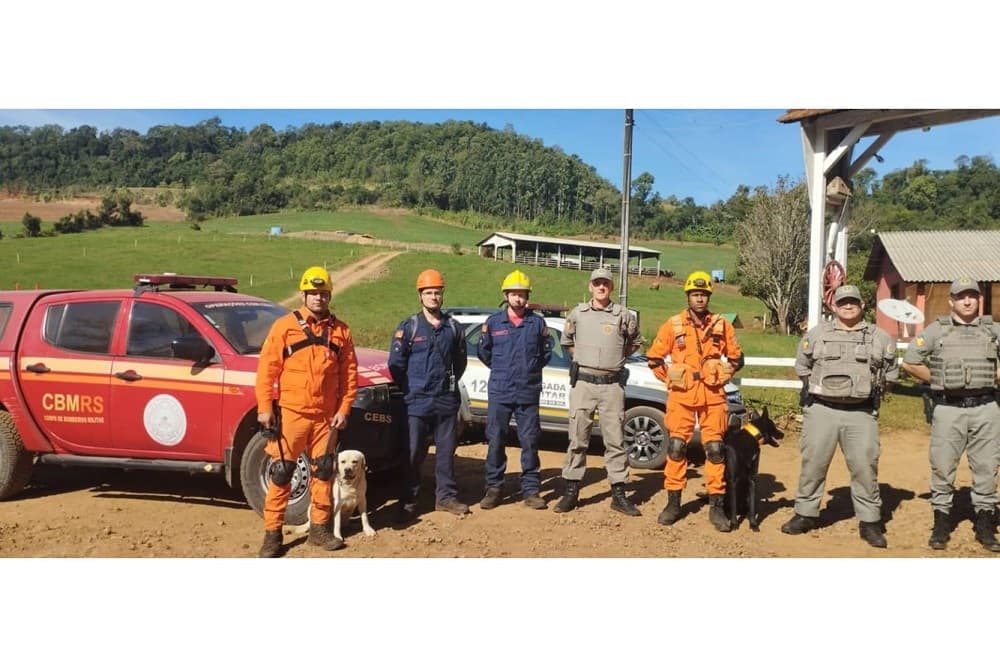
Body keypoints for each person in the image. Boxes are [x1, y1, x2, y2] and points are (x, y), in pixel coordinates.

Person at [780, 285, 898, 548]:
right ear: (833, 306)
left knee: (865, 468)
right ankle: (805, 514)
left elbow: (890, 375)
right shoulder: (817, 334)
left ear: (862, 306)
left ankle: (869, 522)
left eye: (853, 302)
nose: (848, 306)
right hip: (822, 411)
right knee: (813, 465)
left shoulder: (880, 338)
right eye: (842, 302)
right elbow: (802, 366)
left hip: (861, 413)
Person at [254, 266, 358, 558]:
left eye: (323, 294)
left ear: (329, 296)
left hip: (326, 417)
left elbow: (350, 375)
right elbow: (267, 370)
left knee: (324, 472)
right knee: (281, 472)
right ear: (304, 294)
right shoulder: (284, 327)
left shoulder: (341, 331)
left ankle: (320, 529)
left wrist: (344, 408)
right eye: (313, 294)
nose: (318, 299)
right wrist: (265, 408)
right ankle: (272, 534)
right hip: (292, 415)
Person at [900, 277, 1000, 552]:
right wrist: (937, 379)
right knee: (942, 468)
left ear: (978, 300)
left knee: (987, 469)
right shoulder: (936, 331)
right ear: (951, 301)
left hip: (986, 408)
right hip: (948, 409)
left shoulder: (993, 330)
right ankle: (941, 525)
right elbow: (910, 362)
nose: (967, 301)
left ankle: (985, 527)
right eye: (961, 296)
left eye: (972, 296)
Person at [646, 270, 745, 532]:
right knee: (676, 447)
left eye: (703, 294)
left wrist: (725, 374)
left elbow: (737, 358)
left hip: (713, 396)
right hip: (682, 396)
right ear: (688, 296)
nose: (699, 299)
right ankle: (673, 503)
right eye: (695, 294)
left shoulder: (722, 325)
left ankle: (716, 506)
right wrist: (671, 378)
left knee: (715, 450)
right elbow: (654, 358)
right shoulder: (673, 325)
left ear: (708, 296)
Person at [553, 267, 645, 516]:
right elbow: (567, 341)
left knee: (615, 441)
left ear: (611, 287)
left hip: (612, 386)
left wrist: (617, 359)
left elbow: (636, 341)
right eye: (597, 283)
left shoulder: (623, 315)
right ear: (590, 286)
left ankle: (618, 494)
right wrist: (583, 359)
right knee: (577, 439)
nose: (601, 287)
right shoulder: (578, 313)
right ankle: (571, 492)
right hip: (583, 384)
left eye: (605, 283)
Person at [388, 268, 469, 522]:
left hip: (445, 400)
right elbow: (395, 364)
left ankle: (445, 497)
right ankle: (409, 500)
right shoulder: (409, 327)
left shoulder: (453, 328)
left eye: (437, 292)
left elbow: (460, 363)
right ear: (420, 295)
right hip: (416, 401)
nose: (434, 297)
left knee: (446, 452)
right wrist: (410, 389)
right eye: (429, 292)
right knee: (412, 453)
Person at [477, 270, 553, 510]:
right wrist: (503, 371)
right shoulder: (493, 323)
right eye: (514, 294)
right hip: (500, 391)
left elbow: (546, 354)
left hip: (528, 393)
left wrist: (527, 371)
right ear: (506, 295)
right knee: (495, 441)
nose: (519, 299)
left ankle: (531, 490)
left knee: (529, 441)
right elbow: (484, 353)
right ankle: (494, 488)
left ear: (527, 297)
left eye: (522, 295)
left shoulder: (537, 324)